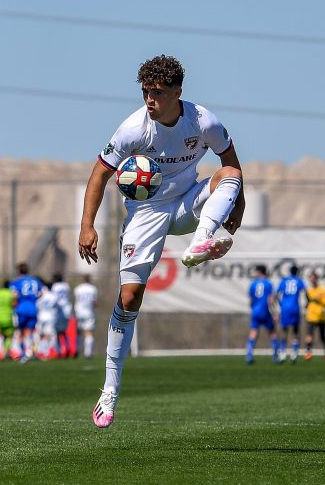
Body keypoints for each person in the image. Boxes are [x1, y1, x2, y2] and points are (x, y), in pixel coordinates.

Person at [78, 55, 245, 428]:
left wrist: (240, 204)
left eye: (157, 92)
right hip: (146, 213)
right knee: (129, 297)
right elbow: (99, 174)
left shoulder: (203, 121)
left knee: (230, 174)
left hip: (188, 203)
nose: (149, 99)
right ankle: (109, 392)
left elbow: (231, 162)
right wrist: (87, 226)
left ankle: (202, 240)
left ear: (177, 92)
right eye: (145, 92)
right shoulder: (132, 130)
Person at [245, 265, 280, 365]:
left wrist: (254, 309)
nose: (254, 274)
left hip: (255, 312)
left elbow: (250, 301)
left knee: (253, 333)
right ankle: (275, 356)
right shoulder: (268, 284)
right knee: (272, 333)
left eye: (256, 271)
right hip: (265, 311)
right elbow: (271, 300)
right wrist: (275, 313)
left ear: (260, 272)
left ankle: (249, 355)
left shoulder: (253, 284)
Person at [10, 262, 42, 363]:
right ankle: (29, 352)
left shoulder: (16, 282)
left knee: (21, 331)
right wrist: (33, 298)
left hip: (22, 308)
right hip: (33, 307)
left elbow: (14, 295)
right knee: (29, 331)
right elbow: (40, 293)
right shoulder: (35, 281)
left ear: (19, 271)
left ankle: (23, 353)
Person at [276, 265, 306, 363]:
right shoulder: (299, 281)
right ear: (297, 272)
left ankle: (283, 353)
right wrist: (307, 304)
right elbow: (306, 293)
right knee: (296, 330)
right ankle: (294, 352)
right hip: (295, 308)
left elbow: (277, 295)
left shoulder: (284, 281)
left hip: (285, 308)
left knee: (284, 330)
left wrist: (281, 305)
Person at [304, 272, 325, 361]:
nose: (312, 280)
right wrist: (307, 305)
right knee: (309, 335)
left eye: (313, 278)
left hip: (321, 316)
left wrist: (318, 299)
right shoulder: (309, 291)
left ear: (316, 279)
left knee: (322, 336)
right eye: (310, 279)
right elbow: (307, 302)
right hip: (311, 316)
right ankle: (308, 352)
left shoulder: (322, 290)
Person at [73, 275, 98, 358]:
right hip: (89, 312)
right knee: (89, 332)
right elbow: (94, 303)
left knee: (78, 332)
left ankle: (77, 351)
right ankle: (88, 353)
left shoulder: (78, 289)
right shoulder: (93, 289)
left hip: (79, 312)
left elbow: (76, 300)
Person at [35, 280, 61, 359]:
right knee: (47, 335)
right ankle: (44, 352)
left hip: (41, 316)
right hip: (50, 317)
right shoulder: (53, 296)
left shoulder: (41, 295)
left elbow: (37, 305)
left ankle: (39, 351)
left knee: (41, 334)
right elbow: (57, 306)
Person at [51, 273, 74, 358]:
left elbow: (54, 299)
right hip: (67, 308)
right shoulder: (66, 285)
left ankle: (59, 351)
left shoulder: (55, 286)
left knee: (57, 332)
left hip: (59, 310)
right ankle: (67, 348)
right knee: (64, 331)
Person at [0, 279, 17, 359]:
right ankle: (5, 352)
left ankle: (4, 352)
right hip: (8, 317)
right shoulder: (11, 293)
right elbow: (14, 303)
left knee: (3, 335)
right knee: (9, 336)